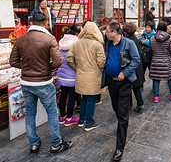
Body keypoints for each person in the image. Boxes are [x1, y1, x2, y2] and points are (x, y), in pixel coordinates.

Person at [9, 12, 72, 153]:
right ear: (46, 23)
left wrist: (27, 67)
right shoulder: (50, 39)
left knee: (30, 113)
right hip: (43, 82)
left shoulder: (21, 39)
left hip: (26, 82)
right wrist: (45, 68)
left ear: (31, 23)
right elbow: (58, 62)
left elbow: (12, 61)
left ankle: (34, 143)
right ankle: (56, 144)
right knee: (52, 113)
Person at [104, 22, 141, 162]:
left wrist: (124, 73)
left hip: (124, 82)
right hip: (111, 81)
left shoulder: (128, 43)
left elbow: (136, 60)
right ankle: (122, 124)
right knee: (116, 108)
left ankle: (119, 147)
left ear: (115, 32)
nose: (106, 34)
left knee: (123, 113)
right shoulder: (108, 43)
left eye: (107, 31)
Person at [66, 21, 106, 131]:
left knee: (84, 98)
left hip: (81, 75)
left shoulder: (77, 43)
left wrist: (77, 67)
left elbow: (69, 58)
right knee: (91, 99)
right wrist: (100, 70)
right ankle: (89, 122)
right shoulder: (98, 44)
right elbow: (101, 62)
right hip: (93, 76)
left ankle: (81, 120)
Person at [57, 24, 82, 126]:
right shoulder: (77, 42)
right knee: (72, 96)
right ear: (77, 33)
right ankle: (69, 118)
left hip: (62, 73)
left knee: (63, 95)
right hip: (72, 73)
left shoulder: (62, 40)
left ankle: (62, 117)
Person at [150, 22, 171, 102]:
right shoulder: (170, 38)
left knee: (156, 79)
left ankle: (156, 97)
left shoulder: (152, 38)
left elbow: (151, 50)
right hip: (167, 61)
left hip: (155, 61)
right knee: (170, 78)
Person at [122, 22, 145, 113]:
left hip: (131, 66)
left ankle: (130, 104)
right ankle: (140, 104)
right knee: (136, 87)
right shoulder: (135, 39)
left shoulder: (127, 41)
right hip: (138, 67)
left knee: (128, 87)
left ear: (125, 31)